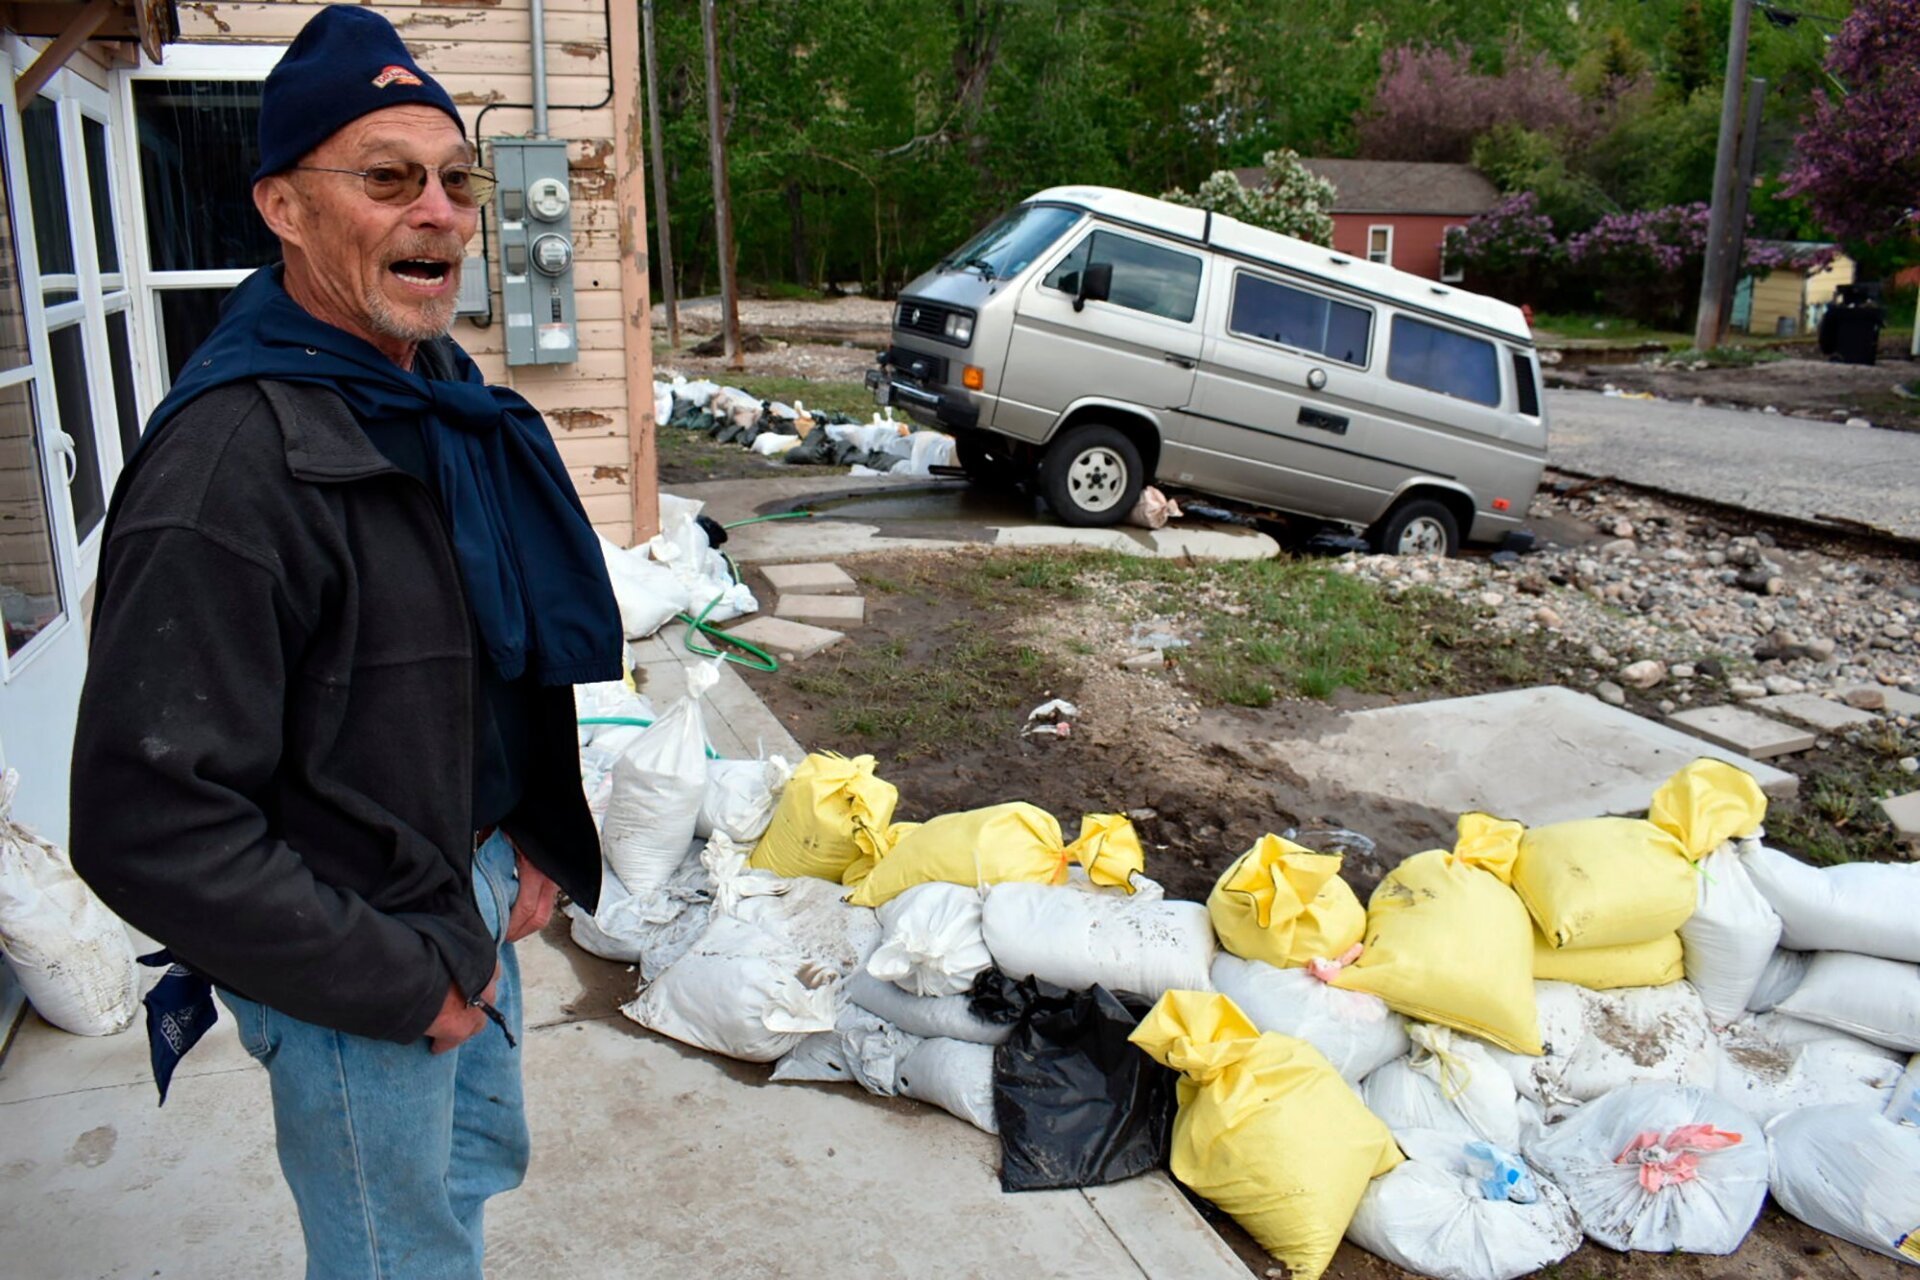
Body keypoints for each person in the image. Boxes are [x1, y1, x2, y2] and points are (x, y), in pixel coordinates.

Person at [68, 8, 621, 1277]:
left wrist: (526, 835)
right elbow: (146, 820)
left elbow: (491, 656)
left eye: (454, 179)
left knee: (465, 1185)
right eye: (386, 177)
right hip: (356, 947)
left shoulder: (435, 398)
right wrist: (397, 981)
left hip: (464, 883)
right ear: (281, 205)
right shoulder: (231, 467)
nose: (440, 210)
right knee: (394, 1253)